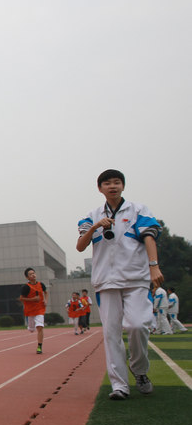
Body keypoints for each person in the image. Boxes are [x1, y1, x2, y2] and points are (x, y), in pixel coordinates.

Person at [77, 168, 161, 400]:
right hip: (106, 282)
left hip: (136, 279)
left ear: (123, 185)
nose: (112, 186)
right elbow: (80, 246)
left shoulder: (138, 210)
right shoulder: (92, 215)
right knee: (111, 334)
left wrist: (154, 265)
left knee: (138, 325)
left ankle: (139, 370)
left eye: (116, 182)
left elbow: (149, 237)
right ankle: (119, 385)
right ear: (100, 188)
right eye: (107, 183)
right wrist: (95, 226)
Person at [19, 267, 48, 354]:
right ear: (27, 277)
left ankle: (39, 346)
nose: (33, 275)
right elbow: (21, 298)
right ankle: (31, 327)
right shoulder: (25, 287)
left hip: (40, 309)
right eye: (30, 274)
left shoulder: (41, 284)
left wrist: (45, 300)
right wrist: (33, 299)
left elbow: (46, 292)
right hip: (30, 311)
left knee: (40, 327)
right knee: (31, 329)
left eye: (34, 273)